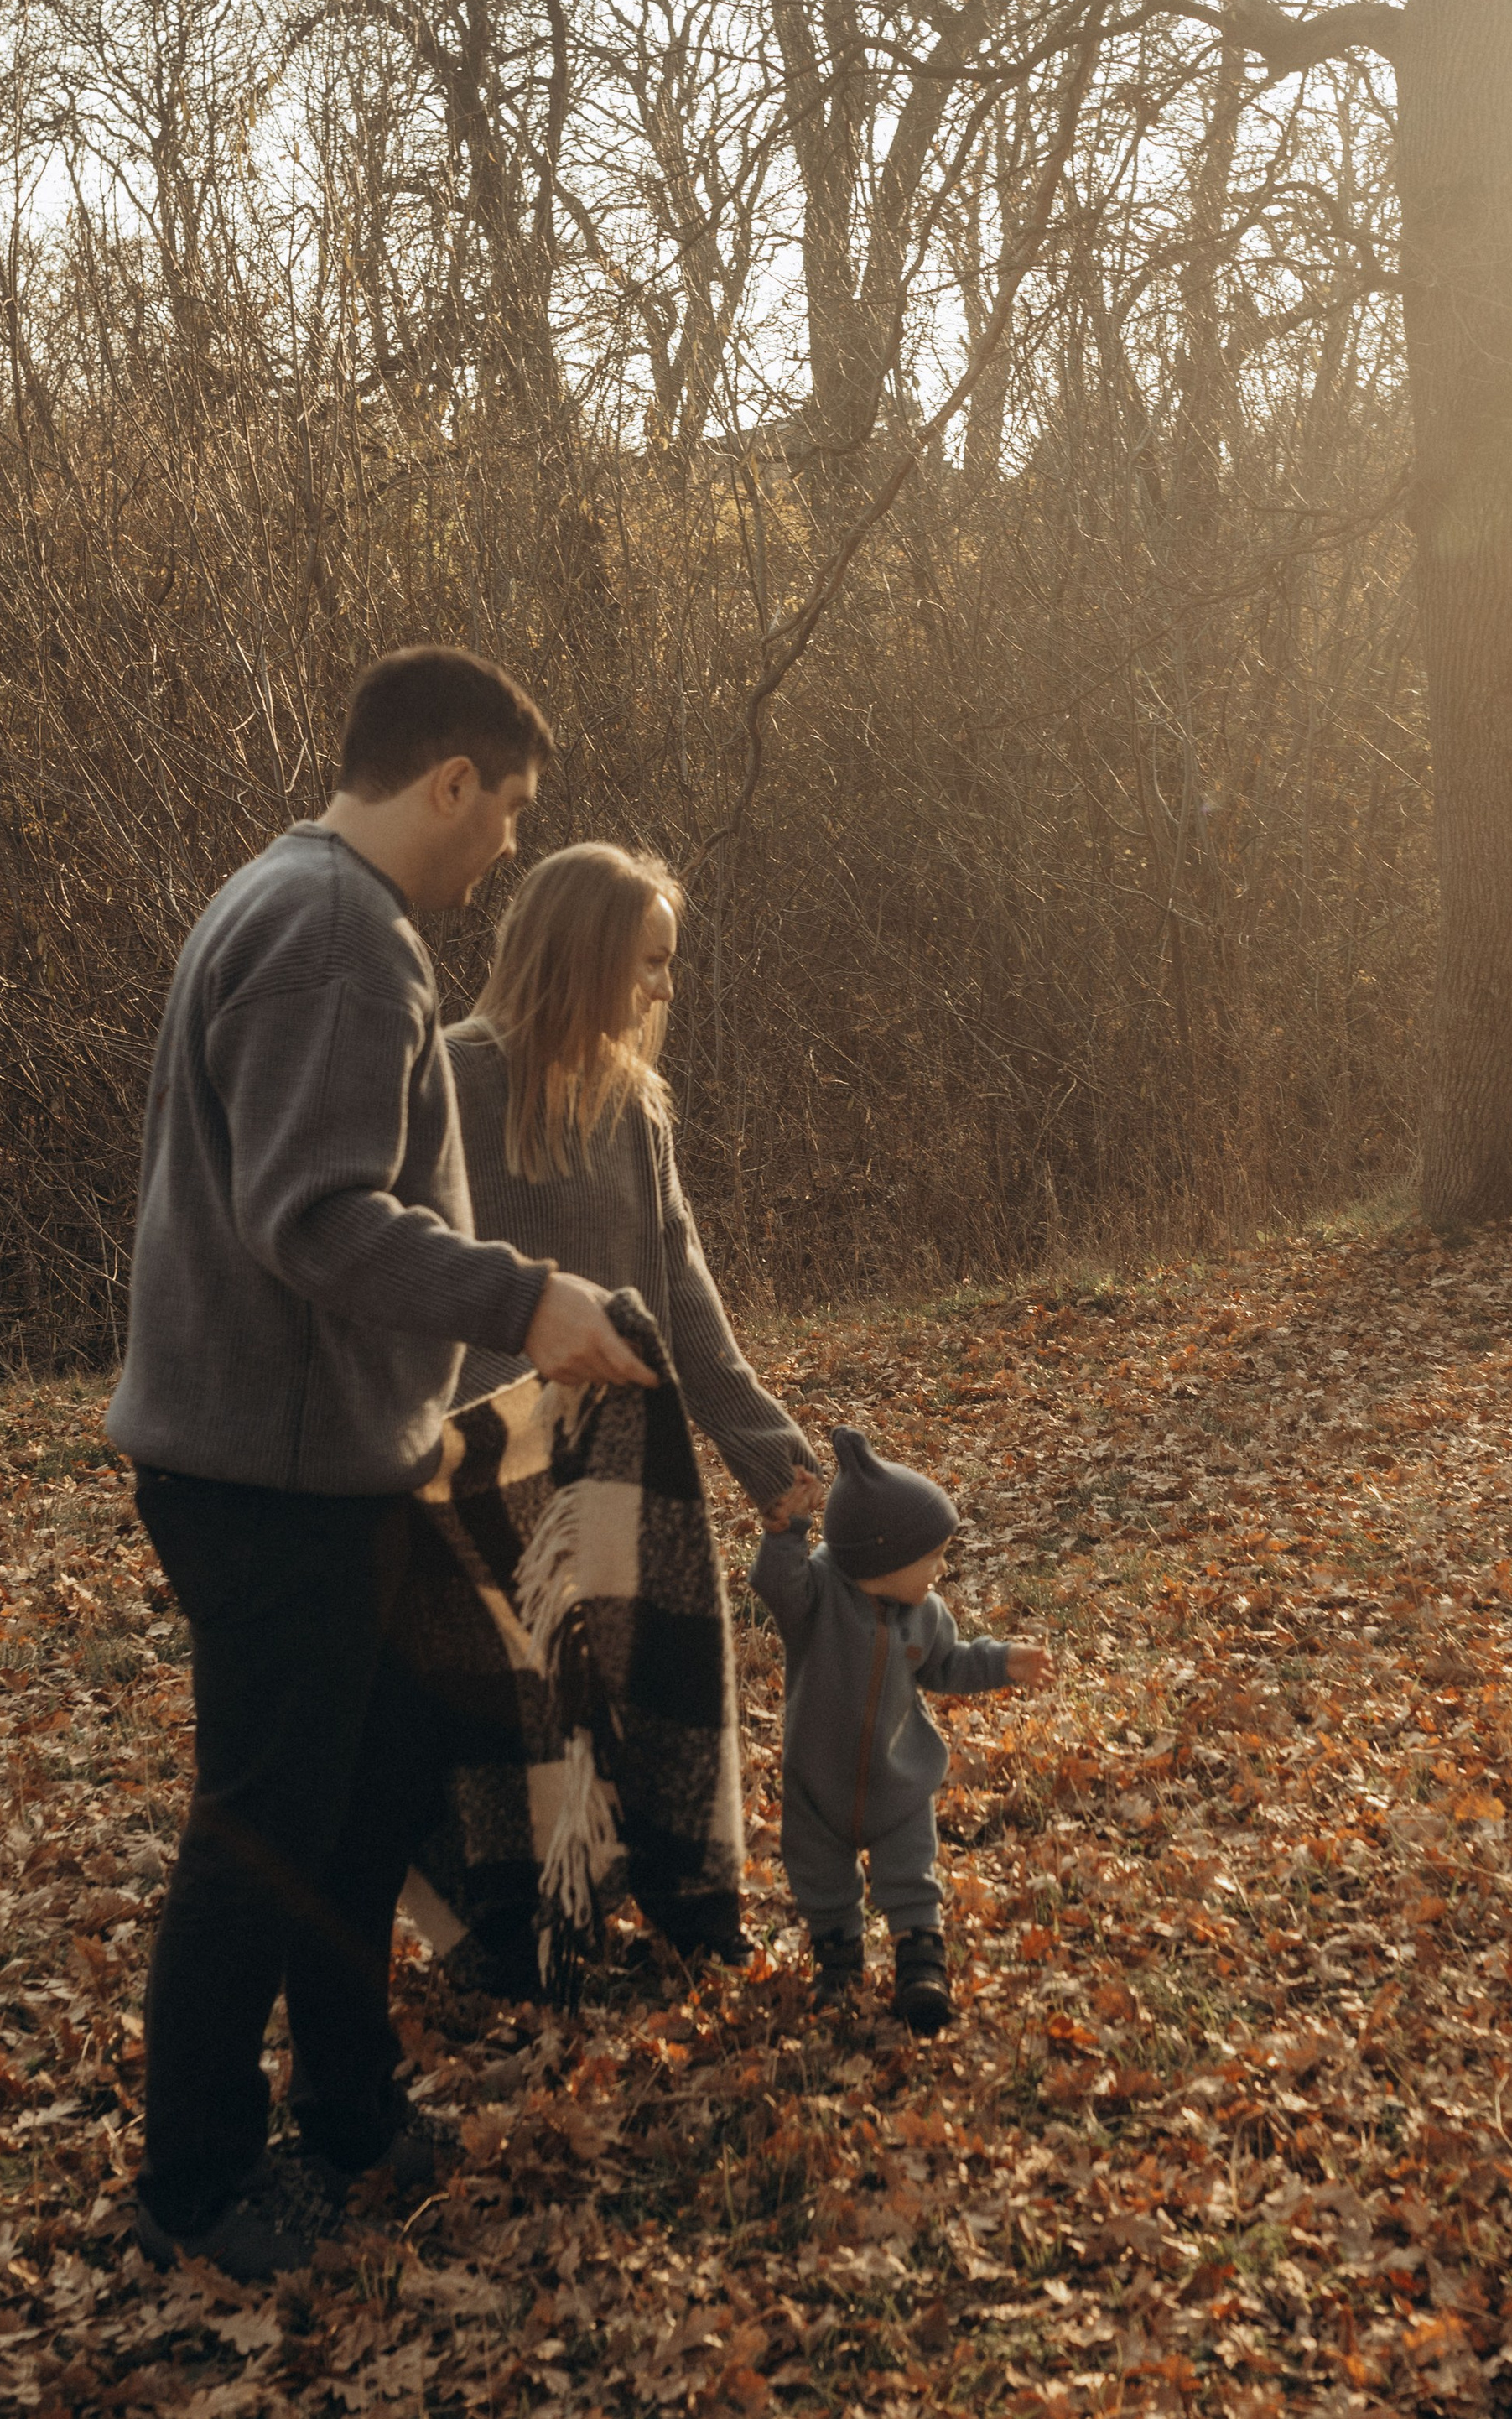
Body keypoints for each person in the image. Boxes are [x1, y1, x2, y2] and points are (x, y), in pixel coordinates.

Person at [107, 647, 658, 2281]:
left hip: (327, 1464)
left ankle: (350, 2111)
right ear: (448, 782)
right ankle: (196, 2188)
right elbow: (316, 1218)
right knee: (266, 1822)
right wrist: (527, 1300)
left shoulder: (289, 901)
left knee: (373, 1785)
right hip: (271, 1481)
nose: (509, 844)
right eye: (509, 808)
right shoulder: (339, 935)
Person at [440, 843, 822, 1980]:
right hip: (479, 1459)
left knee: (658, 1681)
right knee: (513, 1715)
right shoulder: (448, 1079)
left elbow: (683, 1298)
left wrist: (773, 1458)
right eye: (650, 962)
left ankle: (689, 1903)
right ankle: (515, 1931)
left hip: (622, 1458)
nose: (665, 988)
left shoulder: (636, 1106)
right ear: (585, 951)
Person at [752, 1427, 1052, 2032]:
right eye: (932, 1558)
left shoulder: (926, 1614)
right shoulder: (816, 1601)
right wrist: (786, 1531)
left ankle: (922, 1966)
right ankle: (838, 1966)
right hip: (817, 1783)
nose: (941, 1569)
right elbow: (775, 1585)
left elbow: (947, 1665)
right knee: (821, 1881)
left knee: (910, 1874)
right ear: (880, 1559)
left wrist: (1000, 1663)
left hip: (901, 1779)